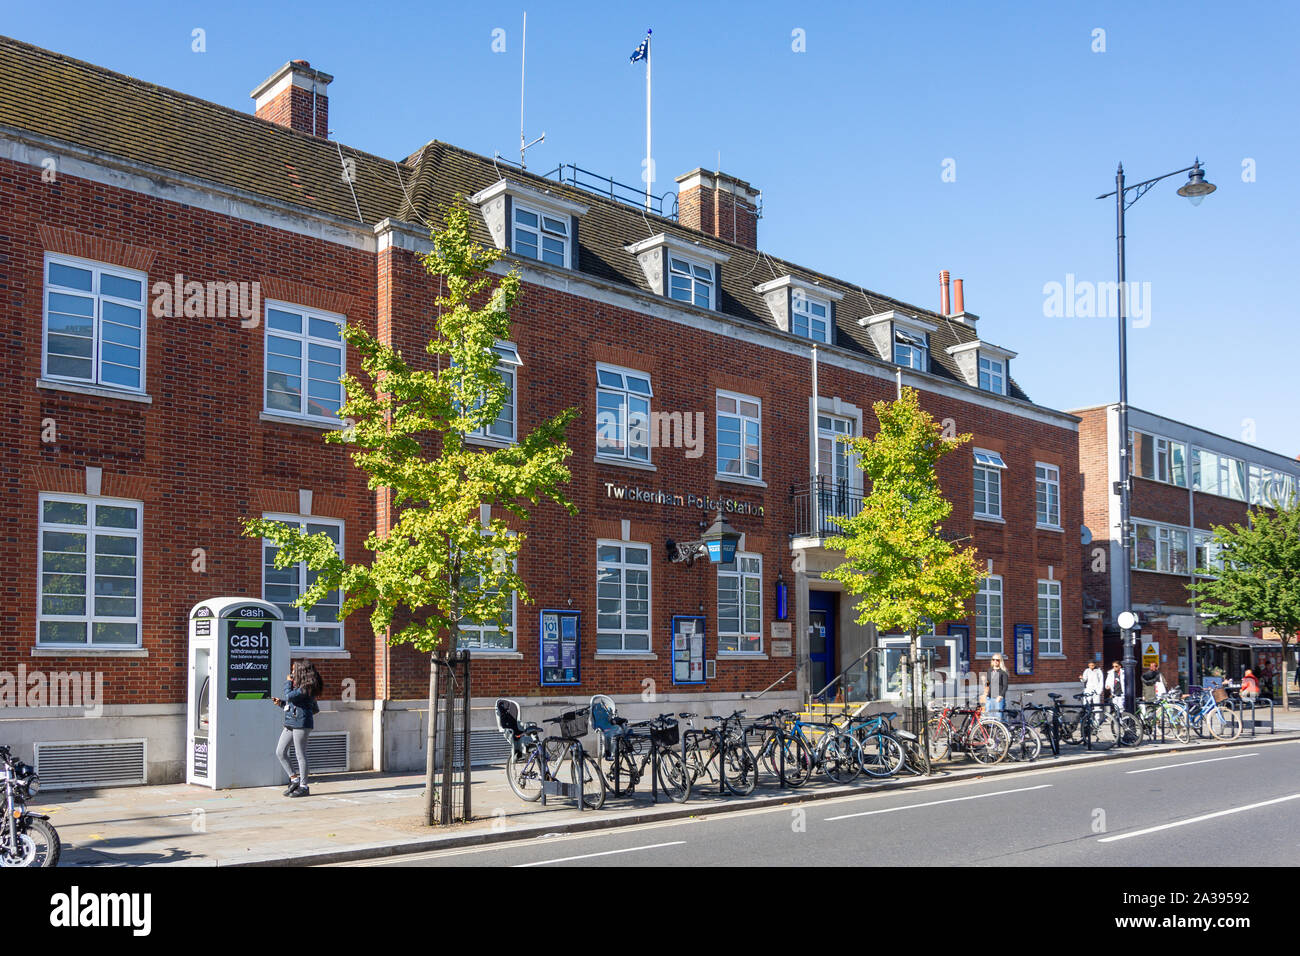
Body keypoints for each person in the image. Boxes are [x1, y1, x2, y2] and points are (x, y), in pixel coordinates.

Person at [272, 660, 323, 797]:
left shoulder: (307, 687)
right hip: (291, 722)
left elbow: (290, 696)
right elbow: (292, 702)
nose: (292, 672)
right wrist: (282, 704)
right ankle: (294, 779)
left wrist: (288, 682)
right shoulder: (299, 686)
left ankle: (304, 786)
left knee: (300, 754)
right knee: (280, 751)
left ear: (301, 671)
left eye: (294, 670)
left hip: (301, 723)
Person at [982, 654, 1008, 722]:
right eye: (993, 659)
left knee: (998, 717)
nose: (995, 661)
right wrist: (985, 692)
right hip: (989, 698)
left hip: (998, 698)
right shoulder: (989, 671)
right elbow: (988, 683)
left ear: (1000, 661)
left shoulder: (1003, 672)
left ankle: (1000, 731)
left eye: (997, 660)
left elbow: (1005, 686)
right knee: (989, 716)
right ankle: (991, 731)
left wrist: (1000, 696)